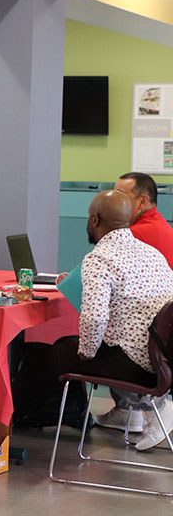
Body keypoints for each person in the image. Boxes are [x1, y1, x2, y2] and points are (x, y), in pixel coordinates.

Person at [36, 190, 173, 450]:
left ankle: (24, 421)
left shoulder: (99, 259)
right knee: (85, 345)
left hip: (135, 363)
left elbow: (95, 317)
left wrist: (86, 352)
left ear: (95, 220)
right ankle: (129, 415)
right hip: (160, 358)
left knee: (56, 352)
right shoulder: (152, 254)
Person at [92, 172, 173, 433]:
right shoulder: (162, 228)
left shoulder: (134, 237)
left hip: (142, 341)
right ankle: (130, 411)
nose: (114, 200)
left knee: (103, 332)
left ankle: (134, 409)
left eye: (122, 195)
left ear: (143, 201)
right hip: (161, 340)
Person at [115, 172, 173, 267]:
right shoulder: (158, 223)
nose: (114, 201)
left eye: (120, 196)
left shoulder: (135, 234)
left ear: (143, 201)